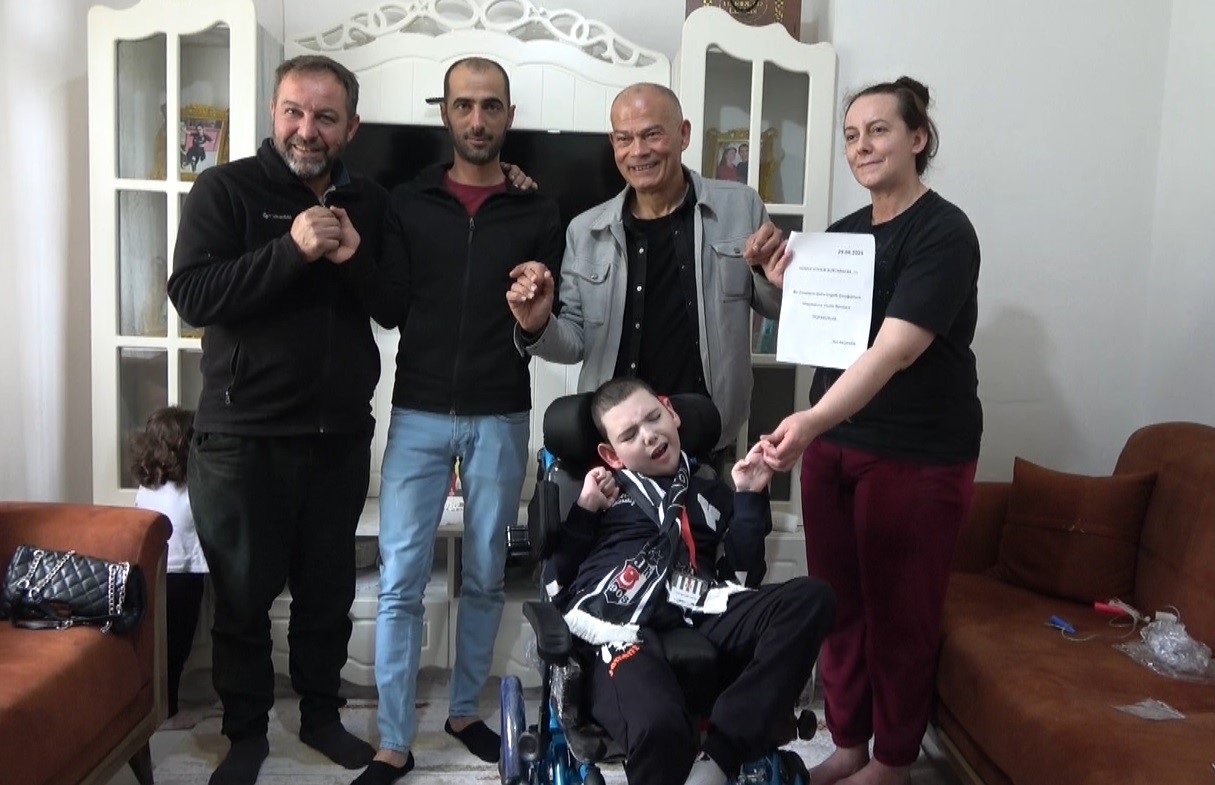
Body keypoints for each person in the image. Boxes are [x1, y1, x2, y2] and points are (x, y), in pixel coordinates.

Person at [167, 54, 389, 785]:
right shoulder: (225, 189)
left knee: (328, 597)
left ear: (350, 126)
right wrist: (290, 250)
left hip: (338, 438)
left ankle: (320, 718)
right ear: (273, 112)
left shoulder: (370, 200)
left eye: (326, 116)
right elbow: (194, 295)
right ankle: (245, 735)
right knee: (242, 602)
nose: (307, 129)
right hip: (242, 438)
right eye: (294, 111)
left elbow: (395, 304)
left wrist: (353, 259)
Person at [759, 77, 982, 785]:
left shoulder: (944, 232)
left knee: (900, 614)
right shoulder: (845, 235)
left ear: (918, 138)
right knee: (837, 605)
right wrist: (783, 285)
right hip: (835, 444)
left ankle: (892, 761)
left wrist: (809, 420)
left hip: (915, 451)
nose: (862, 146)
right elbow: (828, 334)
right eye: (851, 135)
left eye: (878, 130)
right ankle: (850, 744)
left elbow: (893, 351)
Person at [354, 56, 563, 785]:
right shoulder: (406, 202)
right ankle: (393, 740)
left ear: (509, 116)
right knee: (400, 579)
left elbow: (548, 316)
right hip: (416, 412)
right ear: (444, 112)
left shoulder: (538, 211)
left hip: (502, 412)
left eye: (491, 105)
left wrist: (538, 301)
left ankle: (465, 711)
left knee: (484, 575)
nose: (478, 119)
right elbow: (388, 306)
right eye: (464, 105)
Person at [545, 377, 835, 785]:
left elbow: (742, 578)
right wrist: (585, 511)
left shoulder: (710, 490)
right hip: (622, 625)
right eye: (630, 435)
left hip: (700, 603)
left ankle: (719, 756)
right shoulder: (603, 492)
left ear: (672, 413)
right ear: (611, 455)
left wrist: (749, 498)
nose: (649, 435)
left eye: (653, 418)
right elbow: (558, 582)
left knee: (812, 597)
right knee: (659, 726)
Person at [506, 82, 787, 463]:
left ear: (683, 134)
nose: (638, 151)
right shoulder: (585, 231)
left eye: (652, 134)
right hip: (618, 439)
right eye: (625, 139)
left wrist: (770, 276)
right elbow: (575, 343)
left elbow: (776, 308)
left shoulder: (741, 207)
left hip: (705, 429)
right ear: (614, 143)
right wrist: (538, 325)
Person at [129, 405, 207, 722]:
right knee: (177, 646)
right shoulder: (191, 489)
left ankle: (161, 701)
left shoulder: (148, 485)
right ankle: (168, 704)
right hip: (184, 574)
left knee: (159, 644)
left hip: (150, 571)